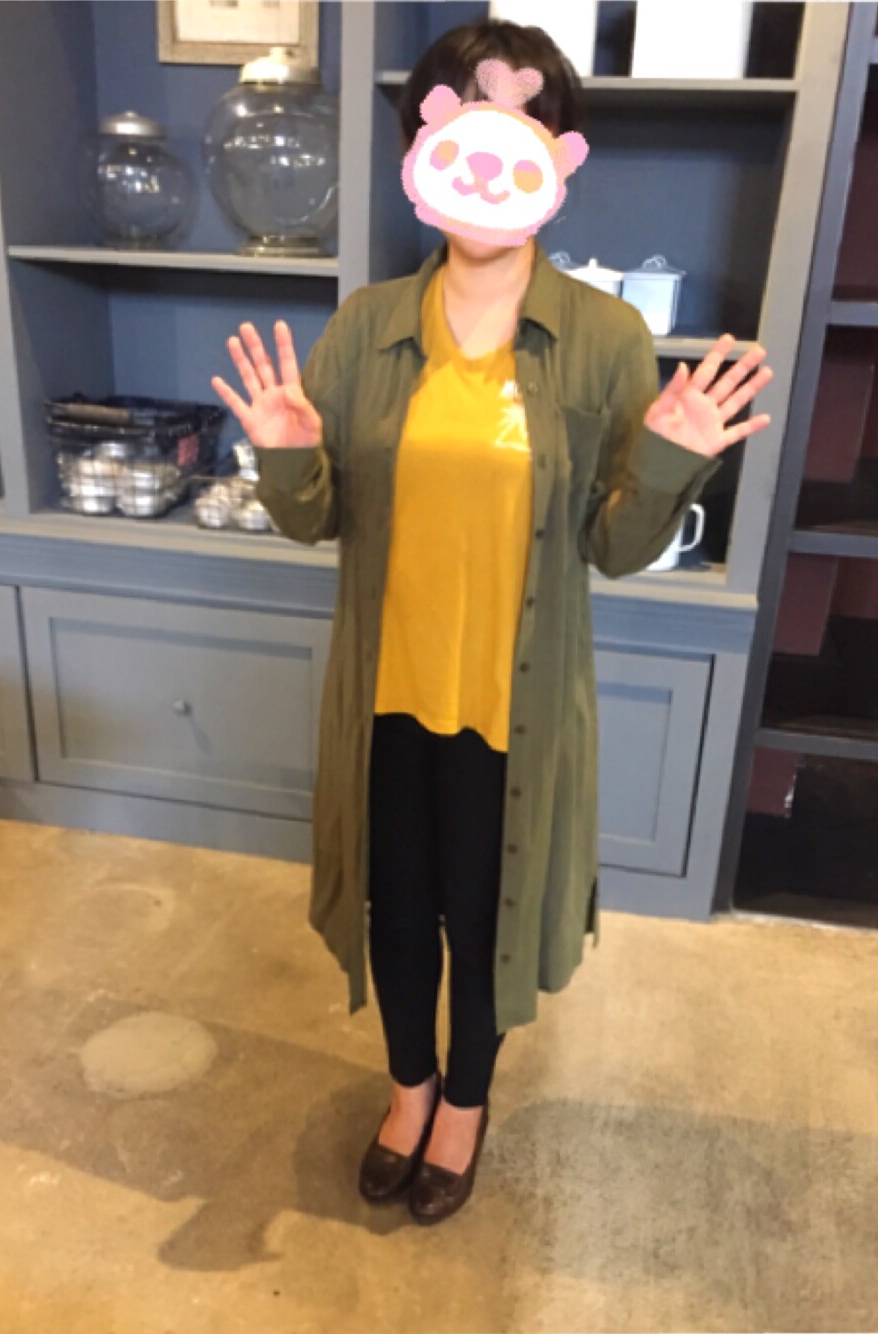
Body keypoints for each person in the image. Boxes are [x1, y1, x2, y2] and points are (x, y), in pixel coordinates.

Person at [211, 18, 773, 1225]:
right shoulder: (366, 325)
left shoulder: (605, 338)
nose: (485, 150)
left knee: (485, 912)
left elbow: (613, 547)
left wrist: (670, 461)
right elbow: (315, 521)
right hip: (386, 689)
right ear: (422, 147)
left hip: (511, 702)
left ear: (557, 159)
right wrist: (286, 455)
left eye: (517, 126)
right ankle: (407, 1087)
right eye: (458, 118)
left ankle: (464, 1100)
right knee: (397, 908)